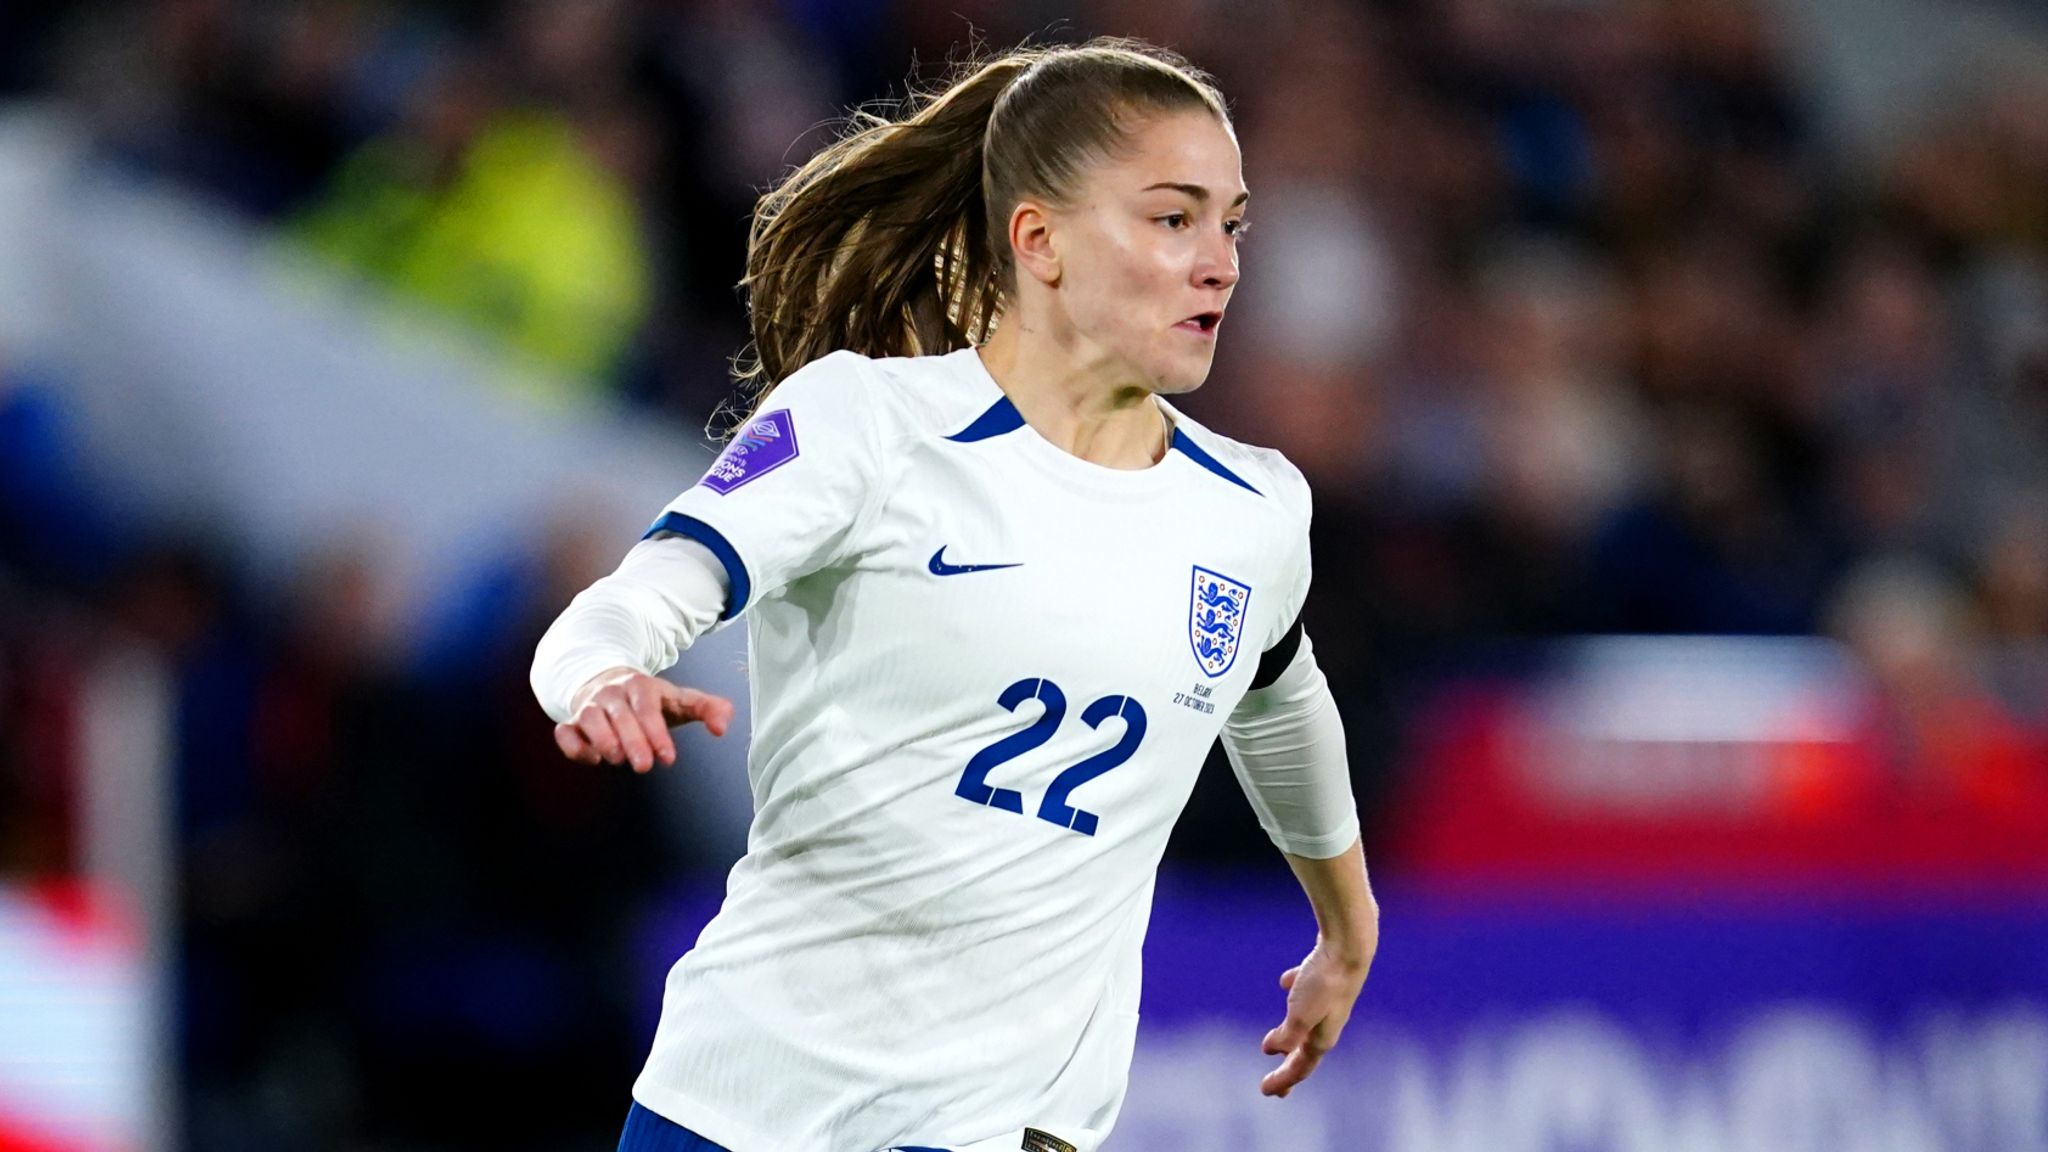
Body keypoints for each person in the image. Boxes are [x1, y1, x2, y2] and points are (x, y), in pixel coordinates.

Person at [531, 37, 1379, 1152]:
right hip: (750, 1109)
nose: (1217, 261)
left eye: (1230, 223)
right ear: (1040, 240)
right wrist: (598, 672)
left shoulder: (1252, 510)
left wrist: (1345, 927)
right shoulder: (865, 426)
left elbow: (1278, 701)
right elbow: (641, 594)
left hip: (1003, 1132)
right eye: (1172, 218)